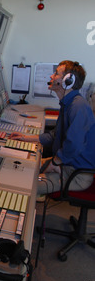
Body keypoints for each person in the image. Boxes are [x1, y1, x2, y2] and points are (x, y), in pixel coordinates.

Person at [10, 60, 95, 195]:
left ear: (68, 81)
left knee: (22, 186)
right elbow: (55, 135)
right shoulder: (67, 104)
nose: (51, 76)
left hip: (76, 175)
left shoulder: (78, 107)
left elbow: (74, 145)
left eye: (56, 74)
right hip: (64, 164)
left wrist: (55, 163)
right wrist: (26, 137)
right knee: (20, 168)